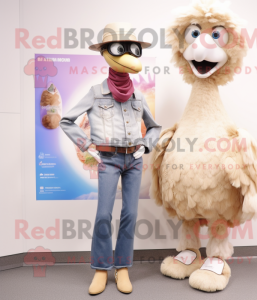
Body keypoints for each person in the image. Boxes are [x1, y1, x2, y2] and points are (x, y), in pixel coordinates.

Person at [59, 22, 161, 295]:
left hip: (134, 160)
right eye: (120, 49)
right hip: (108, 159)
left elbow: (155, 127)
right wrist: (86, 145)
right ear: (105, 52)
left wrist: (146, 146)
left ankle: (123, 267)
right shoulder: (95, 92)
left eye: (133, 49)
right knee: (103, 214)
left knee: (130, 213)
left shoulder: (138, 96)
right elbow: (66, 120)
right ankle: (102, 269)